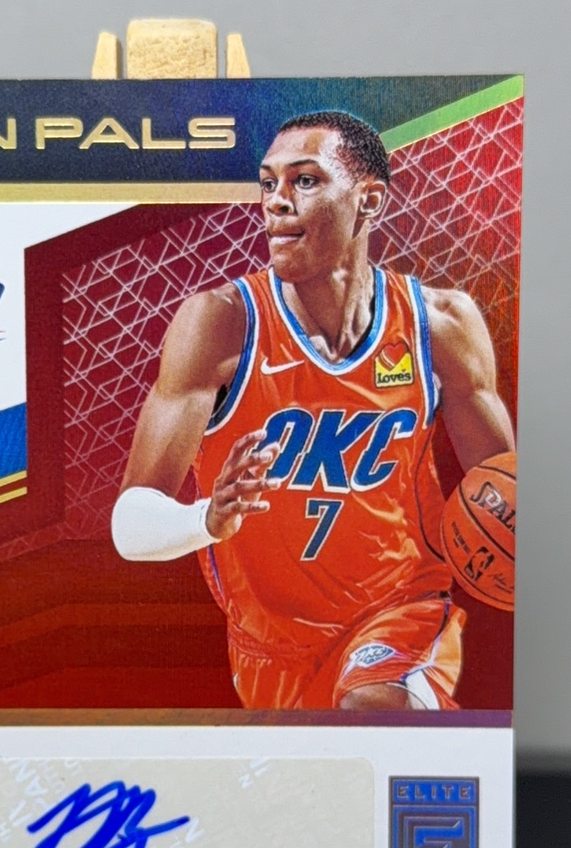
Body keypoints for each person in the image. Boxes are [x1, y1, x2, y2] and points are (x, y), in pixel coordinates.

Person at [111, 111, 514, 711]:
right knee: (329, 764)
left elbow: (502, 491)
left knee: (374, 708)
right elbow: (129, 525)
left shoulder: (441, 325)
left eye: (304, 180)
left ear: (368, 200)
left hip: (400, 610)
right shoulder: (220, 323)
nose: (276, 201)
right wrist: (207, 519)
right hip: (269, 648)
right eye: (267, 183)